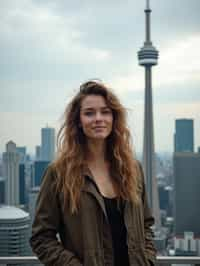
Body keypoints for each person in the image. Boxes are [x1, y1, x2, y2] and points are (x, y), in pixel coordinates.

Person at [30, 80, 156, 266]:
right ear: (78, 122)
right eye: (89, 113)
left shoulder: (132, 169)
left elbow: (146, 224)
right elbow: (41, 237)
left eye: (105, 112)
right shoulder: (59, 174)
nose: (98, 118)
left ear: (114, 118)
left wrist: (148, 260)